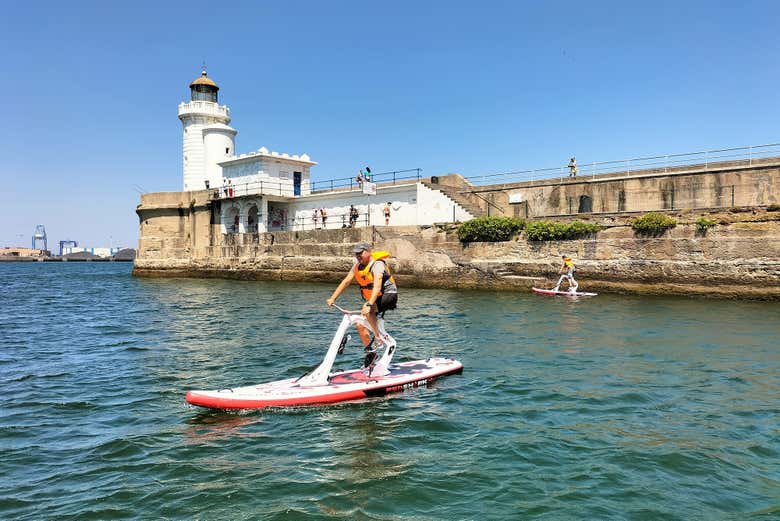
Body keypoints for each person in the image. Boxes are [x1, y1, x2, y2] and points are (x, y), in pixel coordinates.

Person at [326, 243, 398, 368]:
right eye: (356, 254)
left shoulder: (377, 265)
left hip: (388, 295)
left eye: (361, 253)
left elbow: (376, 286)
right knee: (360, 325)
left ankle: (377, 339)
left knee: (367, 311)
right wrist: (333, 298)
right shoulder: (356, 267)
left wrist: (370, 304)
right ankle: (372, 354)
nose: (358, 256)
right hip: (375, 299)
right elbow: (346, 281)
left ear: (369, 252)